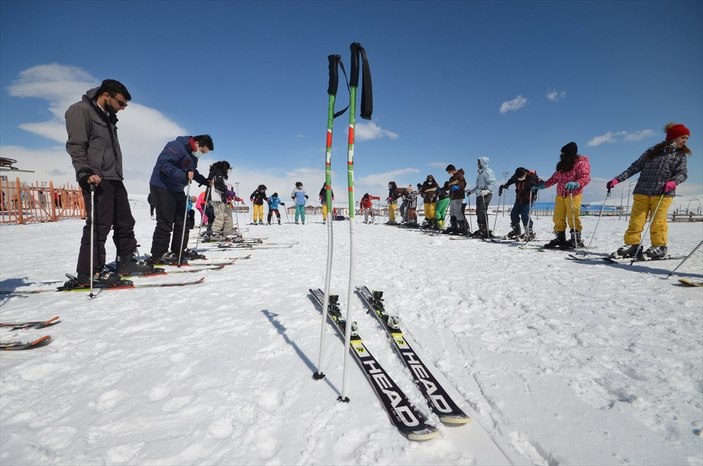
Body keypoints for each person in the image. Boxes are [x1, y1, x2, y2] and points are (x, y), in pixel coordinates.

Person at [63, 79, 153, 288]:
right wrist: (85, 171)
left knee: (125, 222)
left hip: (114, 177)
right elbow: (76, 145)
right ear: (106, 95)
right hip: (95, 177)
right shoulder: (80, 110)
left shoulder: (109, 118)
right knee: (99, 225)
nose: (123, 108)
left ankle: (126, 261)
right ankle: (89, 272)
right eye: (121, 103)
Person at [607, 123, 690, 259]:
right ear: (673, 137)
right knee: (636, 221)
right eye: (683, 137)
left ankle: (659, 246)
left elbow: (682, 173)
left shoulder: (680, 156)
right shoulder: (652, 151)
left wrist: (673, 182)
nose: (685, 141)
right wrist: (617, 179)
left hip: (663, 193)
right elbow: (635, 167)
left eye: (686, 138)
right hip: (642, 191)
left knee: (658, 221)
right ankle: (632, 245)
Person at [148, 135, 212, 265]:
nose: (202, 154)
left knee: (183, 222)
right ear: (197, 143)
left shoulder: (193, 155)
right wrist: (183, 175)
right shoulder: (176, 146)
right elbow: (164, 164)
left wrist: (204, 181)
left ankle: (178, 251)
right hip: (162, 186)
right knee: (166, 221)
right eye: (203, 151)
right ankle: (159, 254)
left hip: (177, 189)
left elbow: (192, 172)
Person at [536, 142, 591, 249]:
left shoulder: (581, 163)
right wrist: (542, 185)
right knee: (558, 217)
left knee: (572, 216)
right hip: (560, 194)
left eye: (563, 153)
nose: (561, 155)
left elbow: (586, 178)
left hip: (573, 194)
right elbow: (554, 179)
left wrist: (576, 183)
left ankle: (576, 239)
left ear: (570, 153)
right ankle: (560, 238)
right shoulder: (562, 165)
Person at [499, 167, 540, 240]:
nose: (519, 179)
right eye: (518, 178)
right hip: (519, 198)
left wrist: (534, 190)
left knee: (524, 214)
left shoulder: (532, 176)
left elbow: (538, 184)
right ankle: (516, 230)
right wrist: (506, 185)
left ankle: (529, 232)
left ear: (525, 174)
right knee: (513, 214)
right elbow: (512, 180)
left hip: (528, 198)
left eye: (521, 177)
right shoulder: (516, 176)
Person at [467, 157, 497, 238]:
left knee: (482, 210)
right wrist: (471, 191)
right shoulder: (480, 173)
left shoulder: (488, 172)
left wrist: (487, 191)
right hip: (479, 194)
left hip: (486, 194)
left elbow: (493, 183)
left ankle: (485, 230)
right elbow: (478, 186)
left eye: (479, 163)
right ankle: (481, 228)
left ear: (483, 163)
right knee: (478, 211)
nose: (477, 164)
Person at [206, 160, 235, 240]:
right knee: (220, 215)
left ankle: (228, 231)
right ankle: (215, 233)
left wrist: (227, 193)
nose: (227, 171)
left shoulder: (218, 172)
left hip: (220, 197)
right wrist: (226, 191)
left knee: (227, 214)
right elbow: (218, 184)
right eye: (227, 169)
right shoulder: (217, 171)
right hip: (215, 197)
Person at [444, 164, 468, 235]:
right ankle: (454, 227)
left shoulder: (459, 175)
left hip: (458, 196)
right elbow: (448, 187)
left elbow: (463, 184)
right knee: (452, 212)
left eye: (449, 171)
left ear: (452, 170)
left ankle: (463, 227)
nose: (448, 173)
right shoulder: (451, 178)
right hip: (452, 197)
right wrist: (441, 189)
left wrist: (458, 187)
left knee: (457, 212)